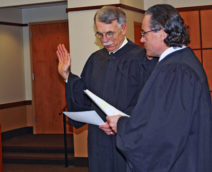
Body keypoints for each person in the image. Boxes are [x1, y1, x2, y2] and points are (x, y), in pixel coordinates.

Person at [107, 4, 212, 172]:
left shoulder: (176, 70)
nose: (141, 39)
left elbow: (162, 134)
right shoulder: (180, 62)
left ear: (162, 33)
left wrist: (123, 125)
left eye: (144, 33)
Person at [56, 6, 157, 172]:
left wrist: (121, 123)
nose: (104, 40)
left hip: (128, 138)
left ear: (123, 28)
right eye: (100, 34)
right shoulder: (95, 60)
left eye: (110, 33)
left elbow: (150, 103)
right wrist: (67, 75)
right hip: (99, 139)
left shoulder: (143, 59)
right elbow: (84, 95)